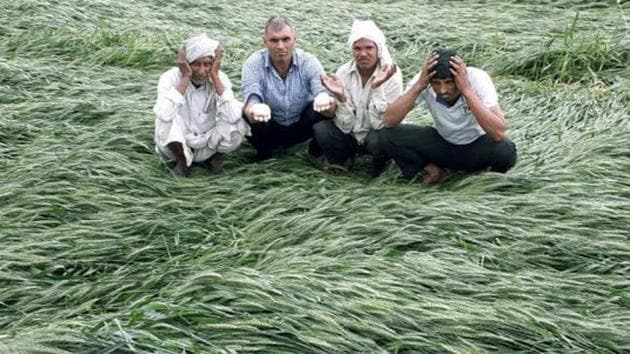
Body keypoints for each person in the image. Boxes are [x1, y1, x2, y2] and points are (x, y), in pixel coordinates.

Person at [380, 48, 517, 183]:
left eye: (449, 82)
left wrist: (467, 91)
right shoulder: (423, 80)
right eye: (436, 84)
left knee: (506, 149)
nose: (443, 90)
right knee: (385, 135)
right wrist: (419, 85)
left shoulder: (477, 78)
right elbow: (389, 121)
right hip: (443, 144)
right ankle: (433, 171)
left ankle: (490, 181)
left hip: (476, 146)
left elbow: (499, 132)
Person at [153, 33, 249, 177]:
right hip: (177, 143)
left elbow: (233, 116)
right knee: (164, 119)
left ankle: (215, 158)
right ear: (186, 64)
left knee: (240, 121)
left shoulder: (220, 78)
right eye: (196, 64)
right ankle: (182, 161)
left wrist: (215, 77)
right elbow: (164, 114)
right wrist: (186, 77)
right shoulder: (170, 77)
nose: (202, 70)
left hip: (208, 143)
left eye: (207, 64)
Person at [241, 16, 335, 161]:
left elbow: (320, 90)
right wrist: (254, 108)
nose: (280, 46)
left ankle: (316, 152)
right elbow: (251, 95)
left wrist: (324, 97)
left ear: (294, 39)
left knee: (322, 109)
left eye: (285, 39)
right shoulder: (253, 63)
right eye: (274, 40)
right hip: (270, 126)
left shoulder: (309, 62)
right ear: (264, 41)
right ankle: (264, 155)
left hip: (302, 126)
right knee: (244, 112)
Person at [314, 20, 402, 175]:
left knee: (378, 139)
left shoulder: (391, 75)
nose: (363, 54)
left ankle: (382, 162)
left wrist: (377, 87)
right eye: (357, 48)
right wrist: (341, 97)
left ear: (378, 50)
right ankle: (342, 160)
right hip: (352, 133)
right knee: (322, 129)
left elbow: (381, 123)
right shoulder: (343, 72)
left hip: (375, 133)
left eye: (369, 48)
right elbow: (345, 126)